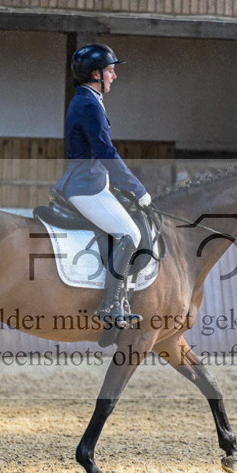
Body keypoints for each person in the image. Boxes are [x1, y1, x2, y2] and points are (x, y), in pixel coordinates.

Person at [54, 43, 151, 336]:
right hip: (87, 185)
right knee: (130, 234)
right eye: (110, 71)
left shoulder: (88, 99)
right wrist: (136, 189)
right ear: (96, 74)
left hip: (91, 180)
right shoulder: (87, 104)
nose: (114, 76)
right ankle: (111, 305)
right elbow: (105, 152)